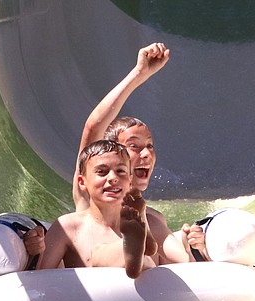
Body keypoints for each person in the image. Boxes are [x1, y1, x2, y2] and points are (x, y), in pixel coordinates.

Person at [72, 43, 207, 266]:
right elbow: (93, 127)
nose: (147, 154)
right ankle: (132, 249)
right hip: (96, 290)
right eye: (134, 146)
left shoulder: (152, 219)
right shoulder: (90, 198)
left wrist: (195, 249)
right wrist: (139, 74)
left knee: (151, 231)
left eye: (150, 146)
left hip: (140, 294)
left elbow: (185, 266)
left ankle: (138, 250)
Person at [41, 140, 151, 278]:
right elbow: (41, 275)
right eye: (102, 172)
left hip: (134, 290)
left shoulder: (134, 224)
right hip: (91, 297)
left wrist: (186, 242)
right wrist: (34, 248)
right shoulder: (69, 227)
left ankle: (137, 255)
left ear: (130, 182)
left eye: (120, 171)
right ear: (82, 182)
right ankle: (134, 252)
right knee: (99, 255)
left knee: (147, 261)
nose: (113, 178)